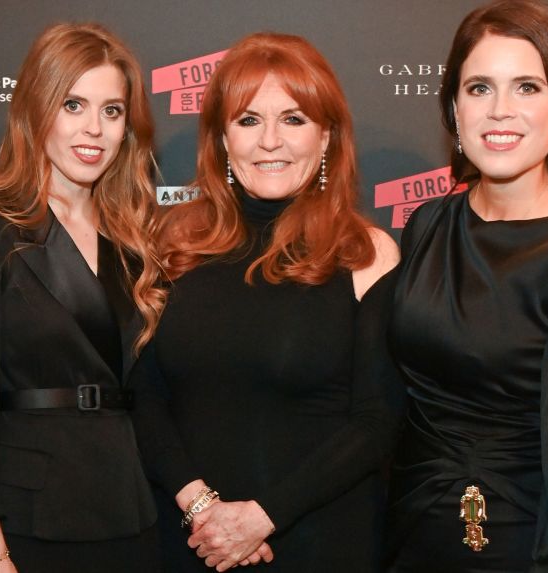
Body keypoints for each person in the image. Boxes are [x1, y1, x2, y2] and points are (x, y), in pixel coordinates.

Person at [386, 1, 548, 572]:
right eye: (479, 88)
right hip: (410, 530)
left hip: (528, 544)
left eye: (527, 87)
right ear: (454, 108)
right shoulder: (427, 226)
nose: (500, 111)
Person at [131, 32, 404, 572]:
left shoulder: (365, 253)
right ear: (223, 140)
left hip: (320, 541)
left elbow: (377, 421)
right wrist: (203, 509)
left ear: (326, 137)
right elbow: (143, 395)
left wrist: (263, 516)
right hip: (193, 542)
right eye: (249, 120)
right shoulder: (175, 245)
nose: (270, 141)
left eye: (294, 119)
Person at [0, 23, 164, 572]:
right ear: (37, 109)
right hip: (21, 522)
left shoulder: (133, 237)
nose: (95, 129)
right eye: (74, 104)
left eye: (112, 110)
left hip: (127, 514)